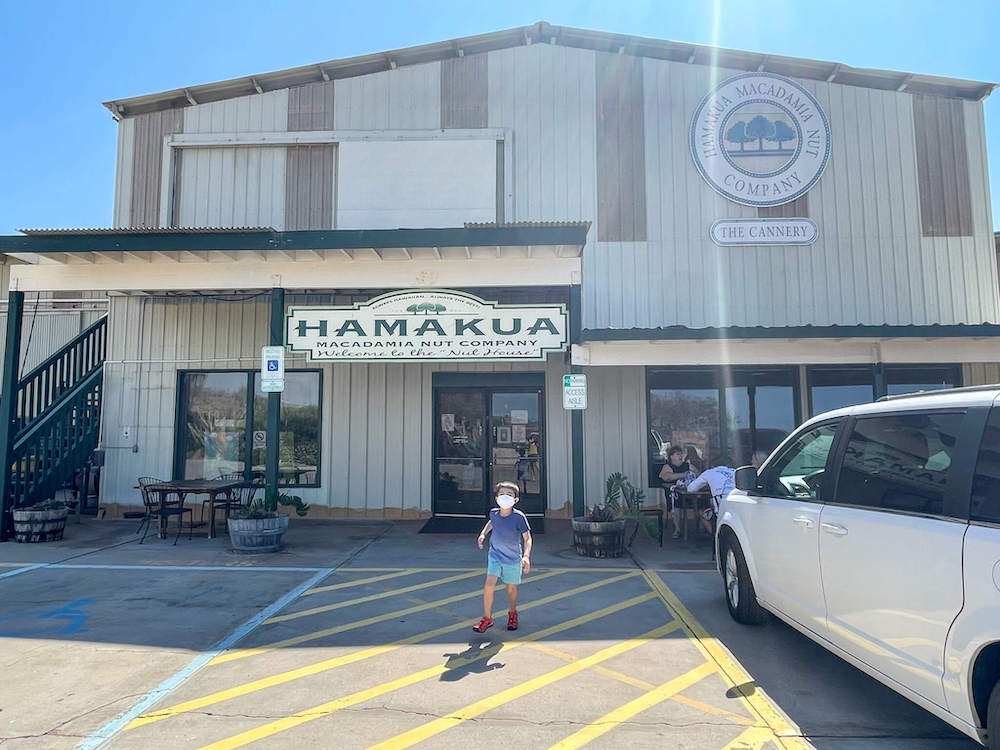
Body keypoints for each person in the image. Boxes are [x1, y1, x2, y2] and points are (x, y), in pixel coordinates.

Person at [474, 481, 532, 632]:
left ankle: (512, 614)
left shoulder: (519, 517)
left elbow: (527, 538)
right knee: (488, 586)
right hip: (495, 556)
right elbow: (491, 523)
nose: (505, 497)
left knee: (511, 589)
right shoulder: (493, 513)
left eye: (509, 494)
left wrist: (526, 556)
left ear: (515, 500)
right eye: (502, 494)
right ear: (496, 498)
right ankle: (487, 618)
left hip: (512, 559)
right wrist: (482, 534)